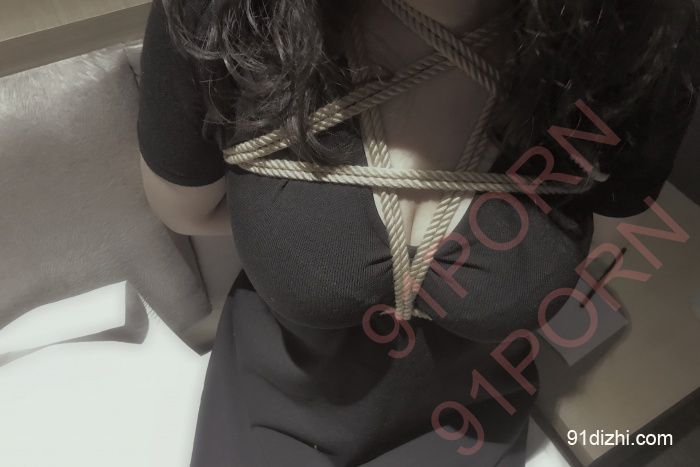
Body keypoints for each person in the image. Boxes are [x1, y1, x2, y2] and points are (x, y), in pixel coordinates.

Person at [137, 0, 699, 465]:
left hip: (474, 422)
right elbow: (187, 210)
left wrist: (297, 229)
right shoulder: (228, 14)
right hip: (273, 409)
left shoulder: (642, 40)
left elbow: (608, 219)